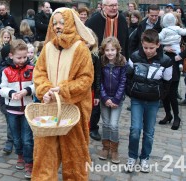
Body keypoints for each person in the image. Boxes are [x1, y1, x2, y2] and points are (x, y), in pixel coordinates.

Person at [32, 7, 95, 180]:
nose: (58, 26)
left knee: (75, 152)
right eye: (55, 23)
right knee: (45, 152)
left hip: (73, 109)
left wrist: (63, 89)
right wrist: (45, 90)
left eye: (62, 22)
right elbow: (39, 73)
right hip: (49, 108)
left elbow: (86, 79)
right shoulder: (47, 49)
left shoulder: (80, 49)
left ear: (70, 23)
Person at [126, 29, 172, 172]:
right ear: (142, 44)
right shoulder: (134, 57)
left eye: (151, 48)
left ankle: (145, 157)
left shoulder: (166, 61)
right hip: (137, 100)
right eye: (145, 47)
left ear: (158, 45)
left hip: (153, 102)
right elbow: (128, 76)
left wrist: (159, 96)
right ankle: (132, 156)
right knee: (135, 129)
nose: (148, 51)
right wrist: (131, 91)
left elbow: (167, 83)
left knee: (149, 132)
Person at [86, 0, 129, 140]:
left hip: (116, 63)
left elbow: (126, 40)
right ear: (103, 7)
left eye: (116, 5)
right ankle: (93, 127)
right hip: (98, 61)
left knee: (114, 90)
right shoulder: (94, 20)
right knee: (98, 93)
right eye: (110, 5)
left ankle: (111, 124)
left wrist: (125, 60)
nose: (114, 8)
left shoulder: (122, 20)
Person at [0, 39, 35, 179]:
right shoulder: (6, 71)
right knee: (16, 138)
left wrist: (27, 90)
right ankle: (20, 155)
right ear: (11, 55)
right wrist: (11, 93)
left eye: (25, 57)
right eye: (19, 57)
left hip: (27, 109)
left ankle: (29, 162)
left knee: (27, 138)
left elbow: (36, 85)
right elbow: (1, 89)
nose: (22, 60)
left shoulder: (31, 69)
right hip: (12, 110)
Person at [98, 37, 127, 164]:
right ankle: (105, 147)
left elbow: (123, 82)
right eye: (107, 50)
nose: (110, 53)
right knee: (105, 124)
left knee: (113, 124)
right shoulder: (102, 62)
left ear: (117, 50)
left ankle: (114, 149)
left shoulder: (122, 63)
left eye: (112, 50)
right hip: (105, 98)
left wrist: (116, 99)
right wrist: (104, 97)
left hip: (117, 98)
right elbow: (100, 81)